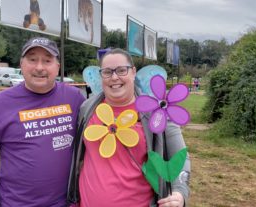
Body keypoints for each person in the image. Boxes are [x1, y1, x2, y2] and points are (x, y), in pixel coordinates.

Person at [0, 37, 85, 207]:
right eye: (32, 59)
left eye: (47, 60)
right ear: (21, 64)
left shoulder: (74, 99)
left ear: (57, 67)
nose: (39, 67)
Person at [67, 48, 191, 207]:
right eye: (107, 72)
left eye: (121, 70)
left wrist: (180, 192)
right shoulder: (87, 108)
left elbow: (180, 158)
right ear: (101, 76)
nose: (114, 77)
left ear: (133, 72)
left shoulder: (157, 112)